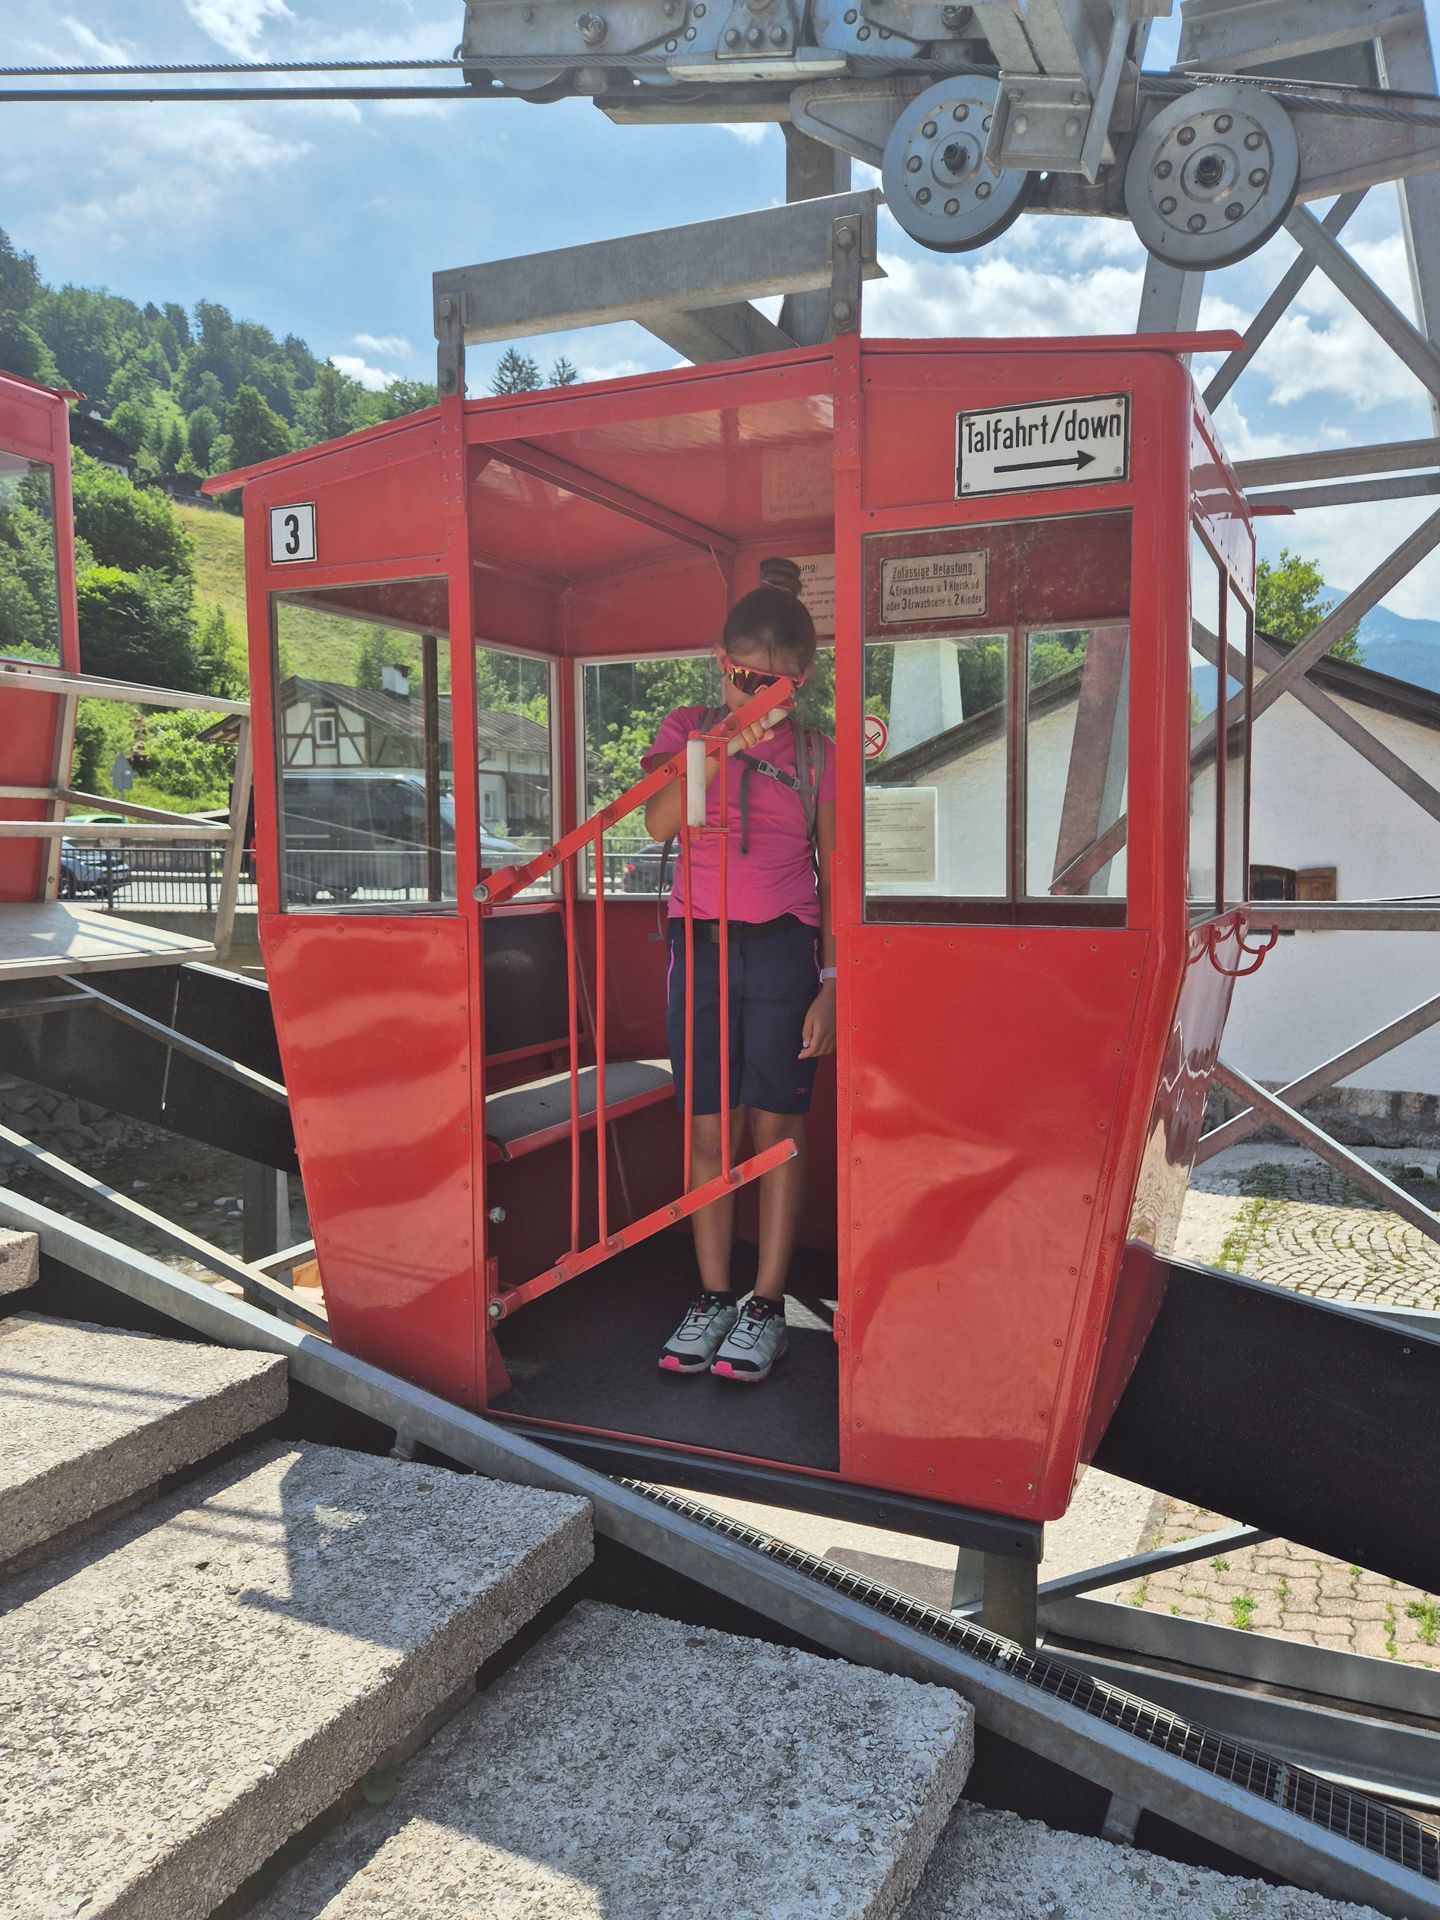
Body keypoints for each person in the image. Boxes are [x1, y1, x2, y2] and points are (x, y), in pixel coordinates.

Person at [642, 564, 837, 1384]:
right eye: (744, 679)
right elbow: (657, 821)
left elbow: (840, 873)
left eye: (776, 685)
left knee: (774, 1130)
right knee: (708, 1127)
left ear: (804, 679)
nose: (759, 696)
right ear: (719, 662)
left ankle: (765, 1305)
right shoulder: (687, 727)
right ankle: (712, 1296)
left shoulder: (820, 754)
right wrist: (717, 752)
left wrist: (835, 984)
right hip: (701, 942)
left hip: (785, 946)